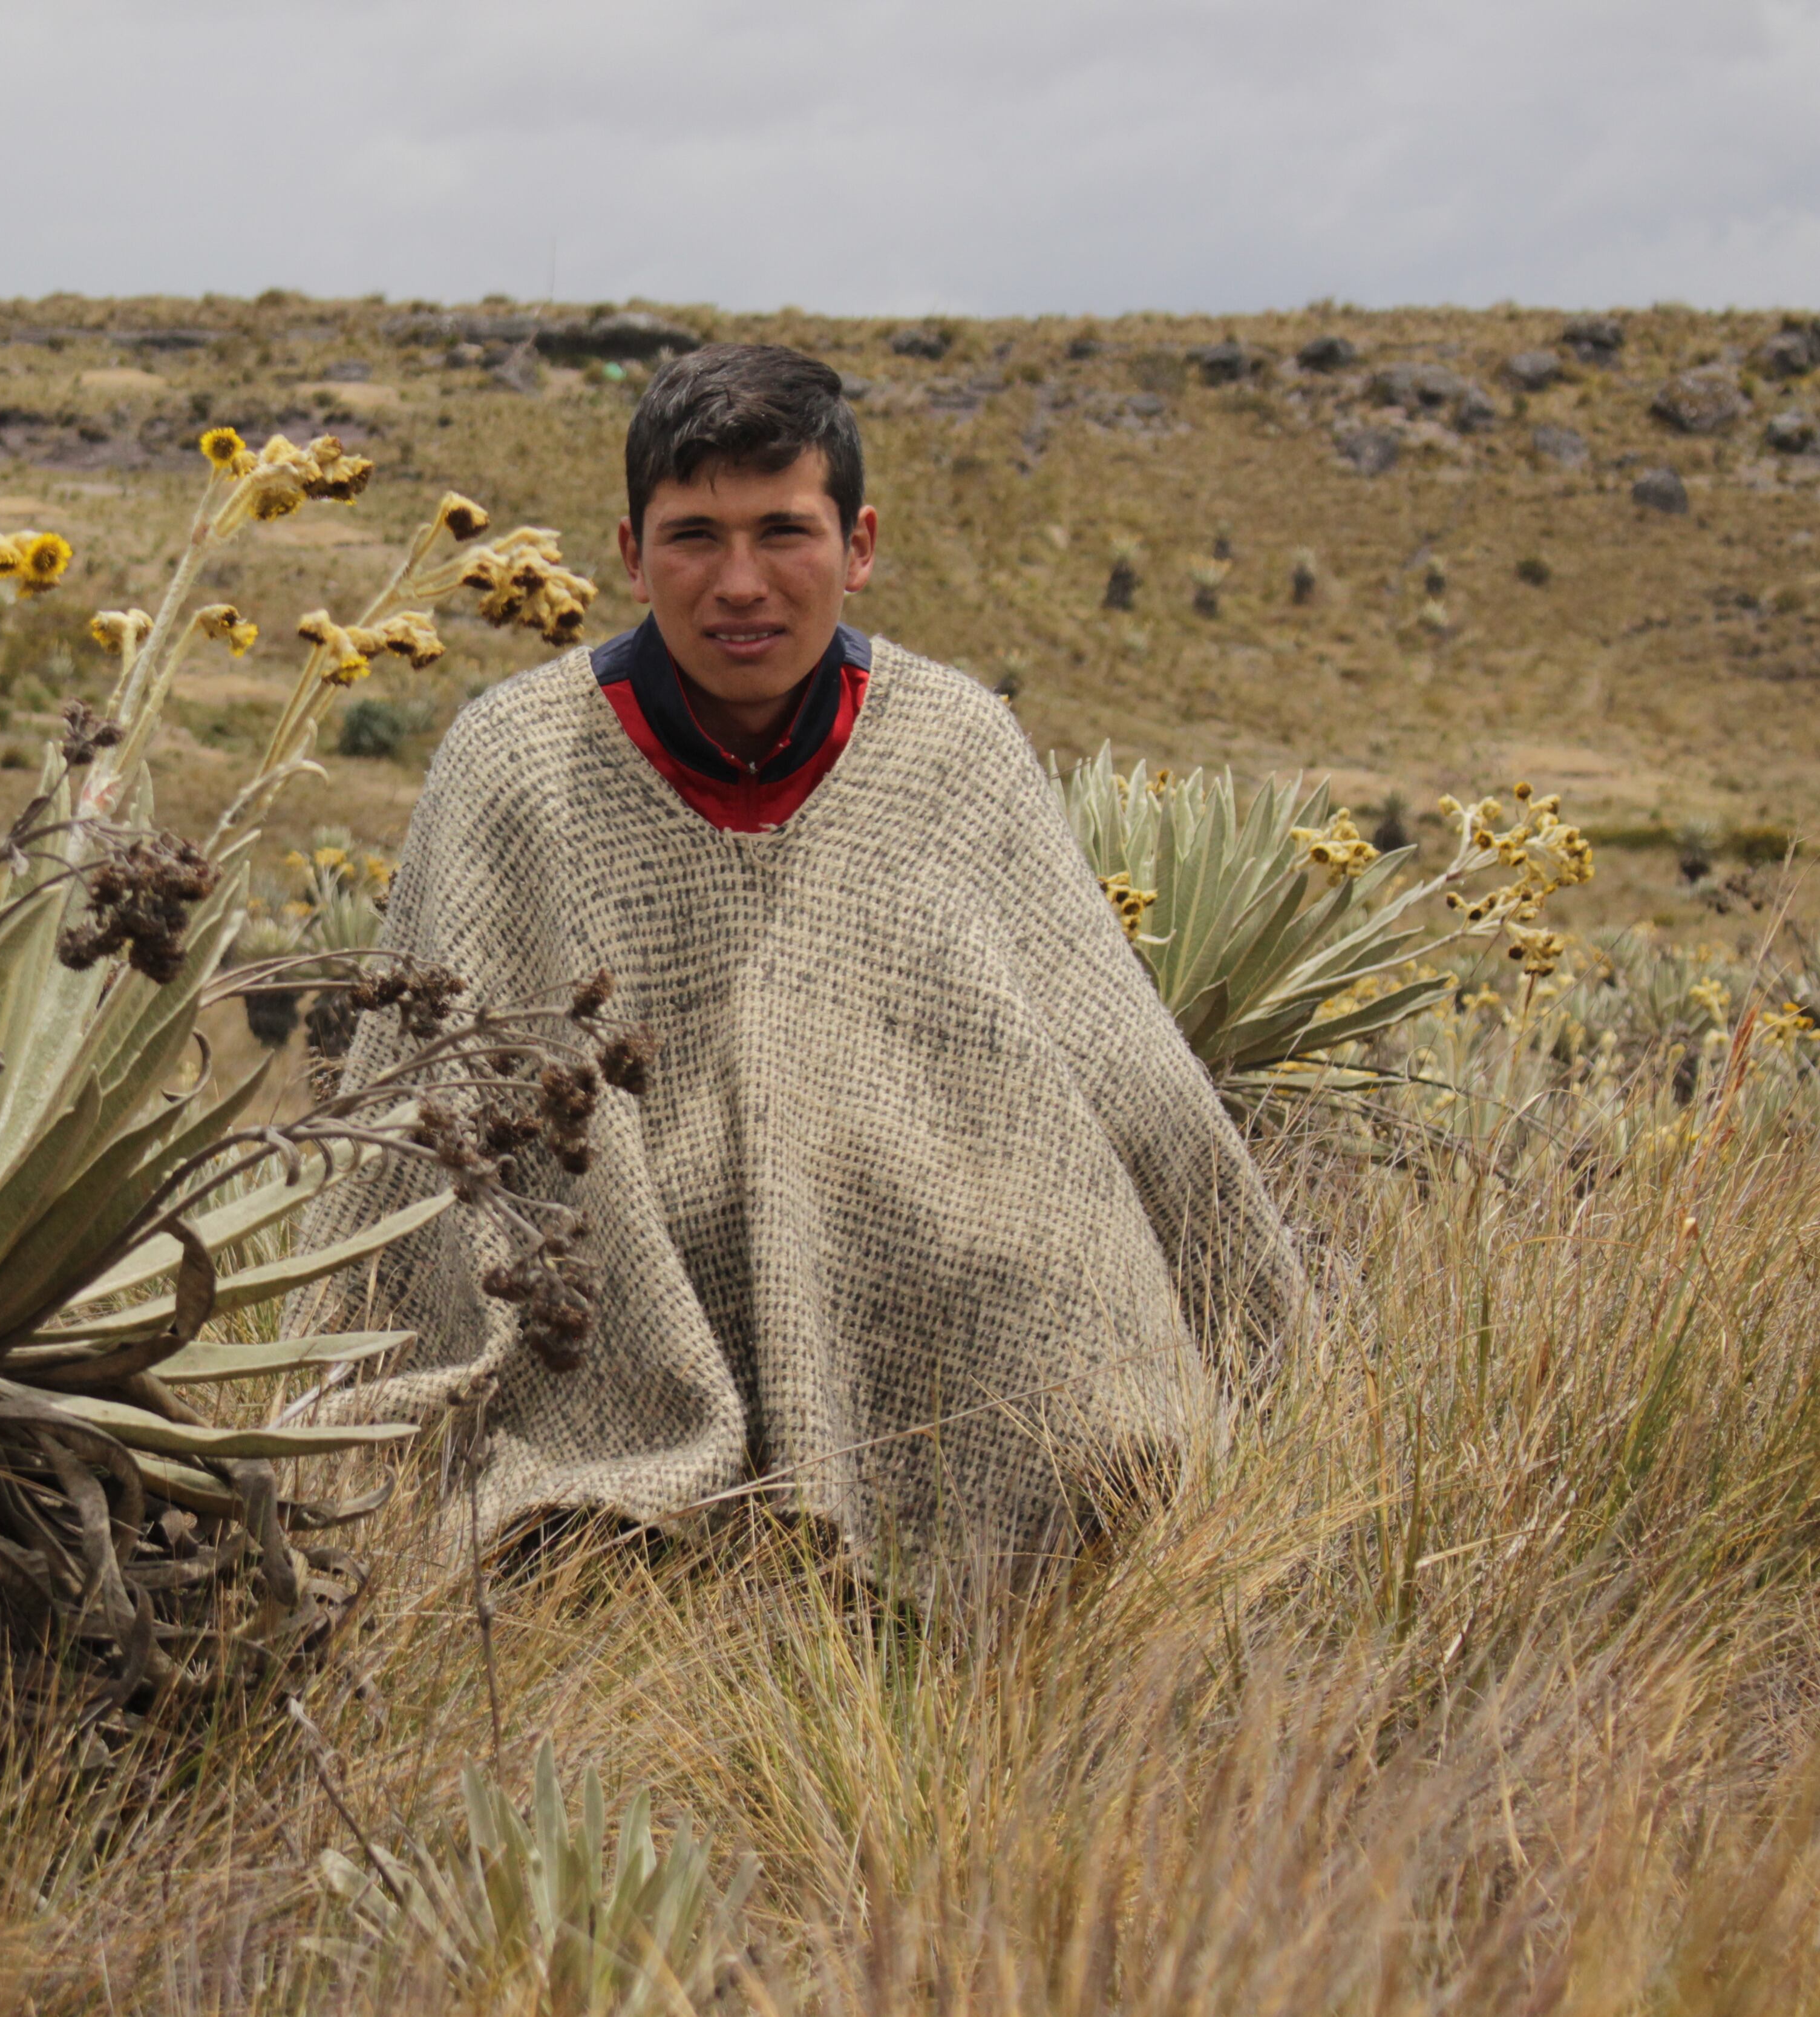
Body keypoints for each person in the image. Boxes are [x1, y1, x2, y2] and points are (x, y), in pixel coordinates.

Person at [297, 343, 1303, 1591]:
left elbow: (1118, 1061)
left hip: (920, 1248)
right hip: (621, 1263)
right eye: (694, 538)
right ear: (632, 555)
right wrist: (322, 1366)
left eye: (784, 532)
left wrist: (1263, 1330)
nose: (740, 585)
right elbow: (417, 1098)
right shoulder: (514, 760)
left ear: (857, 544)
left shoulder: (953, 743)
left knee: (1081, 1363)